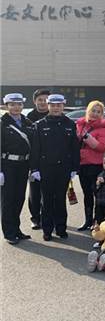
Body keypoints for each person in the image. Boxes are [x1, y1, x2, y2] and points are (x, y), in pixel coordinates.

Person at [30, 94, 80, 241]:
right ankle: (47, 230)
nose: (56, 108)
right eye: (53, 105)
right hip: (45, 168)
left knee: (60, 199)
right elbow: (35, 149)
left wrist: (74, 167)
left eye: (59, 105)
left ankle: (61, 228)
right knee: (46, 200)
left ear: (63, 106)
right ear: (48, 106)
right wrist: (34, 169)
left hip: (64, 168)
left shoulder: (70, 124)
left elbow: (74, 147)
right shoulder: (40, 124)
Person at [1, 93, 34, 244]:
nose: (16, 107)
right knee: (8, 199)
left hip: (23, 165)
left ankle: (16, 229)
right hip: (8, 165)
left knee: (19, 198)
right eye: (12, 104)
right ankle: (9, 232)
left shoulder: (27, 122)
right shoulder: (2, 123)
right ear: (6, 106)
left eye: (19, 104)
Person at [76, 101, 105, 230]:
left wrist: (88, 138)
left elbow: (102, 147)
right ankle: (87, 220)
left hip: (96, 165)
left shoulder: (103, 128)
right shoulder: (80, 125)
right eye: (93, 110)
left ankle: (98, 221)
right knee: (87, 194)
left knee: (98, 194)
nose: (95, 114)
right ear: (88, 111)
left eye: (98, 112)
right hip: (82, 164)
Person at [27, 88, 50, 230]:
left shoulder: (54, 115)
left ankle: (49, 218)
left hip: (51, 161)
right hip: (34, 160)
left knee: (50, 192)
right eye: (40, 100)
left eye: (45, 100)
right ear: (34, 101)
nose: (43, 102)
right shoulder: (29, 117)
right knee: (34, 192)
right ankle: (35, 218)